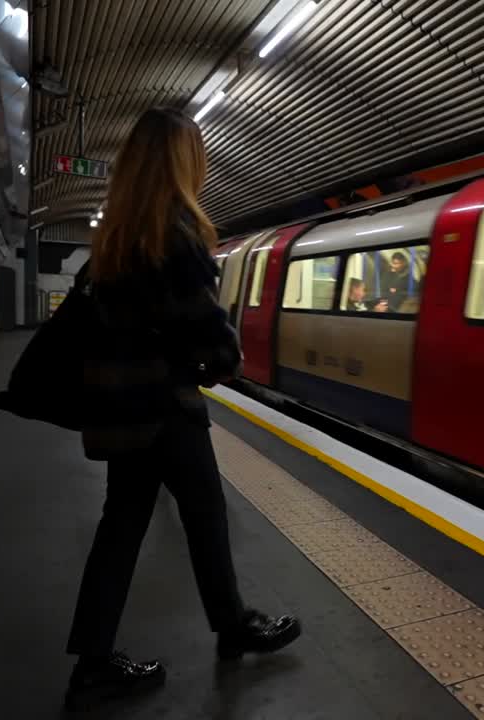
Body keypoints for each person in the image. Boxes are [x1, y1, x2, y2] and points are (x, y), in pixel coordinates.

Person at [64, 107, 300, 712]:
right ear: (181, 163)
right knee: (205, 515)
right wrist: (222, 362)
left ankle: (93, 660)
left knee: (121, 527)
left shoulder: (113, 238)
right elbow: (207, 332)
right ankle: (233, 626)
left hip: (119, 409)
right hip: (165, 409)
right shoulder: (177, 233)